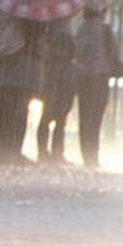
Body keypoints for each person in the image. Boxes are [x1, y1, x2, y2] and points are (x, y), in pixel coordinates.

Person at [0, 13, 47, 165]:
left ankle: (5, 149)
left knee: (5, 109)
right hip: (20, 68)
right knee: (18, 111)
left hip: (5, 67)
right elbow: (36, 38)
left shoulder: (3, 11)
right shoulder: (29, 15)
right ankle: (11, 150)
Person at [73, 1, 116, 169]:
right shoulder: (105, 29)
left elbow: (77, 52)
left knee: (84, 117)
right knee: (96, 118)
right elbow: (113, 52)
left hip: (83, 77)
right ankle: (93, 157)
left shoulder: (81, 29)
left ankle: (86, 155)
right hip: (100, 77)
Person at [36, 18, 76, 165]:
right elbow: (72, 54)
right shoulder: (64, 35)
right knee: (59, 118)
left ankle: (43, 151)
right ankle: (56, 152)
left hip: (52, 79)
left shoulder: (48, 35)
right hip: (61, 80)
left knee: (48, 117)